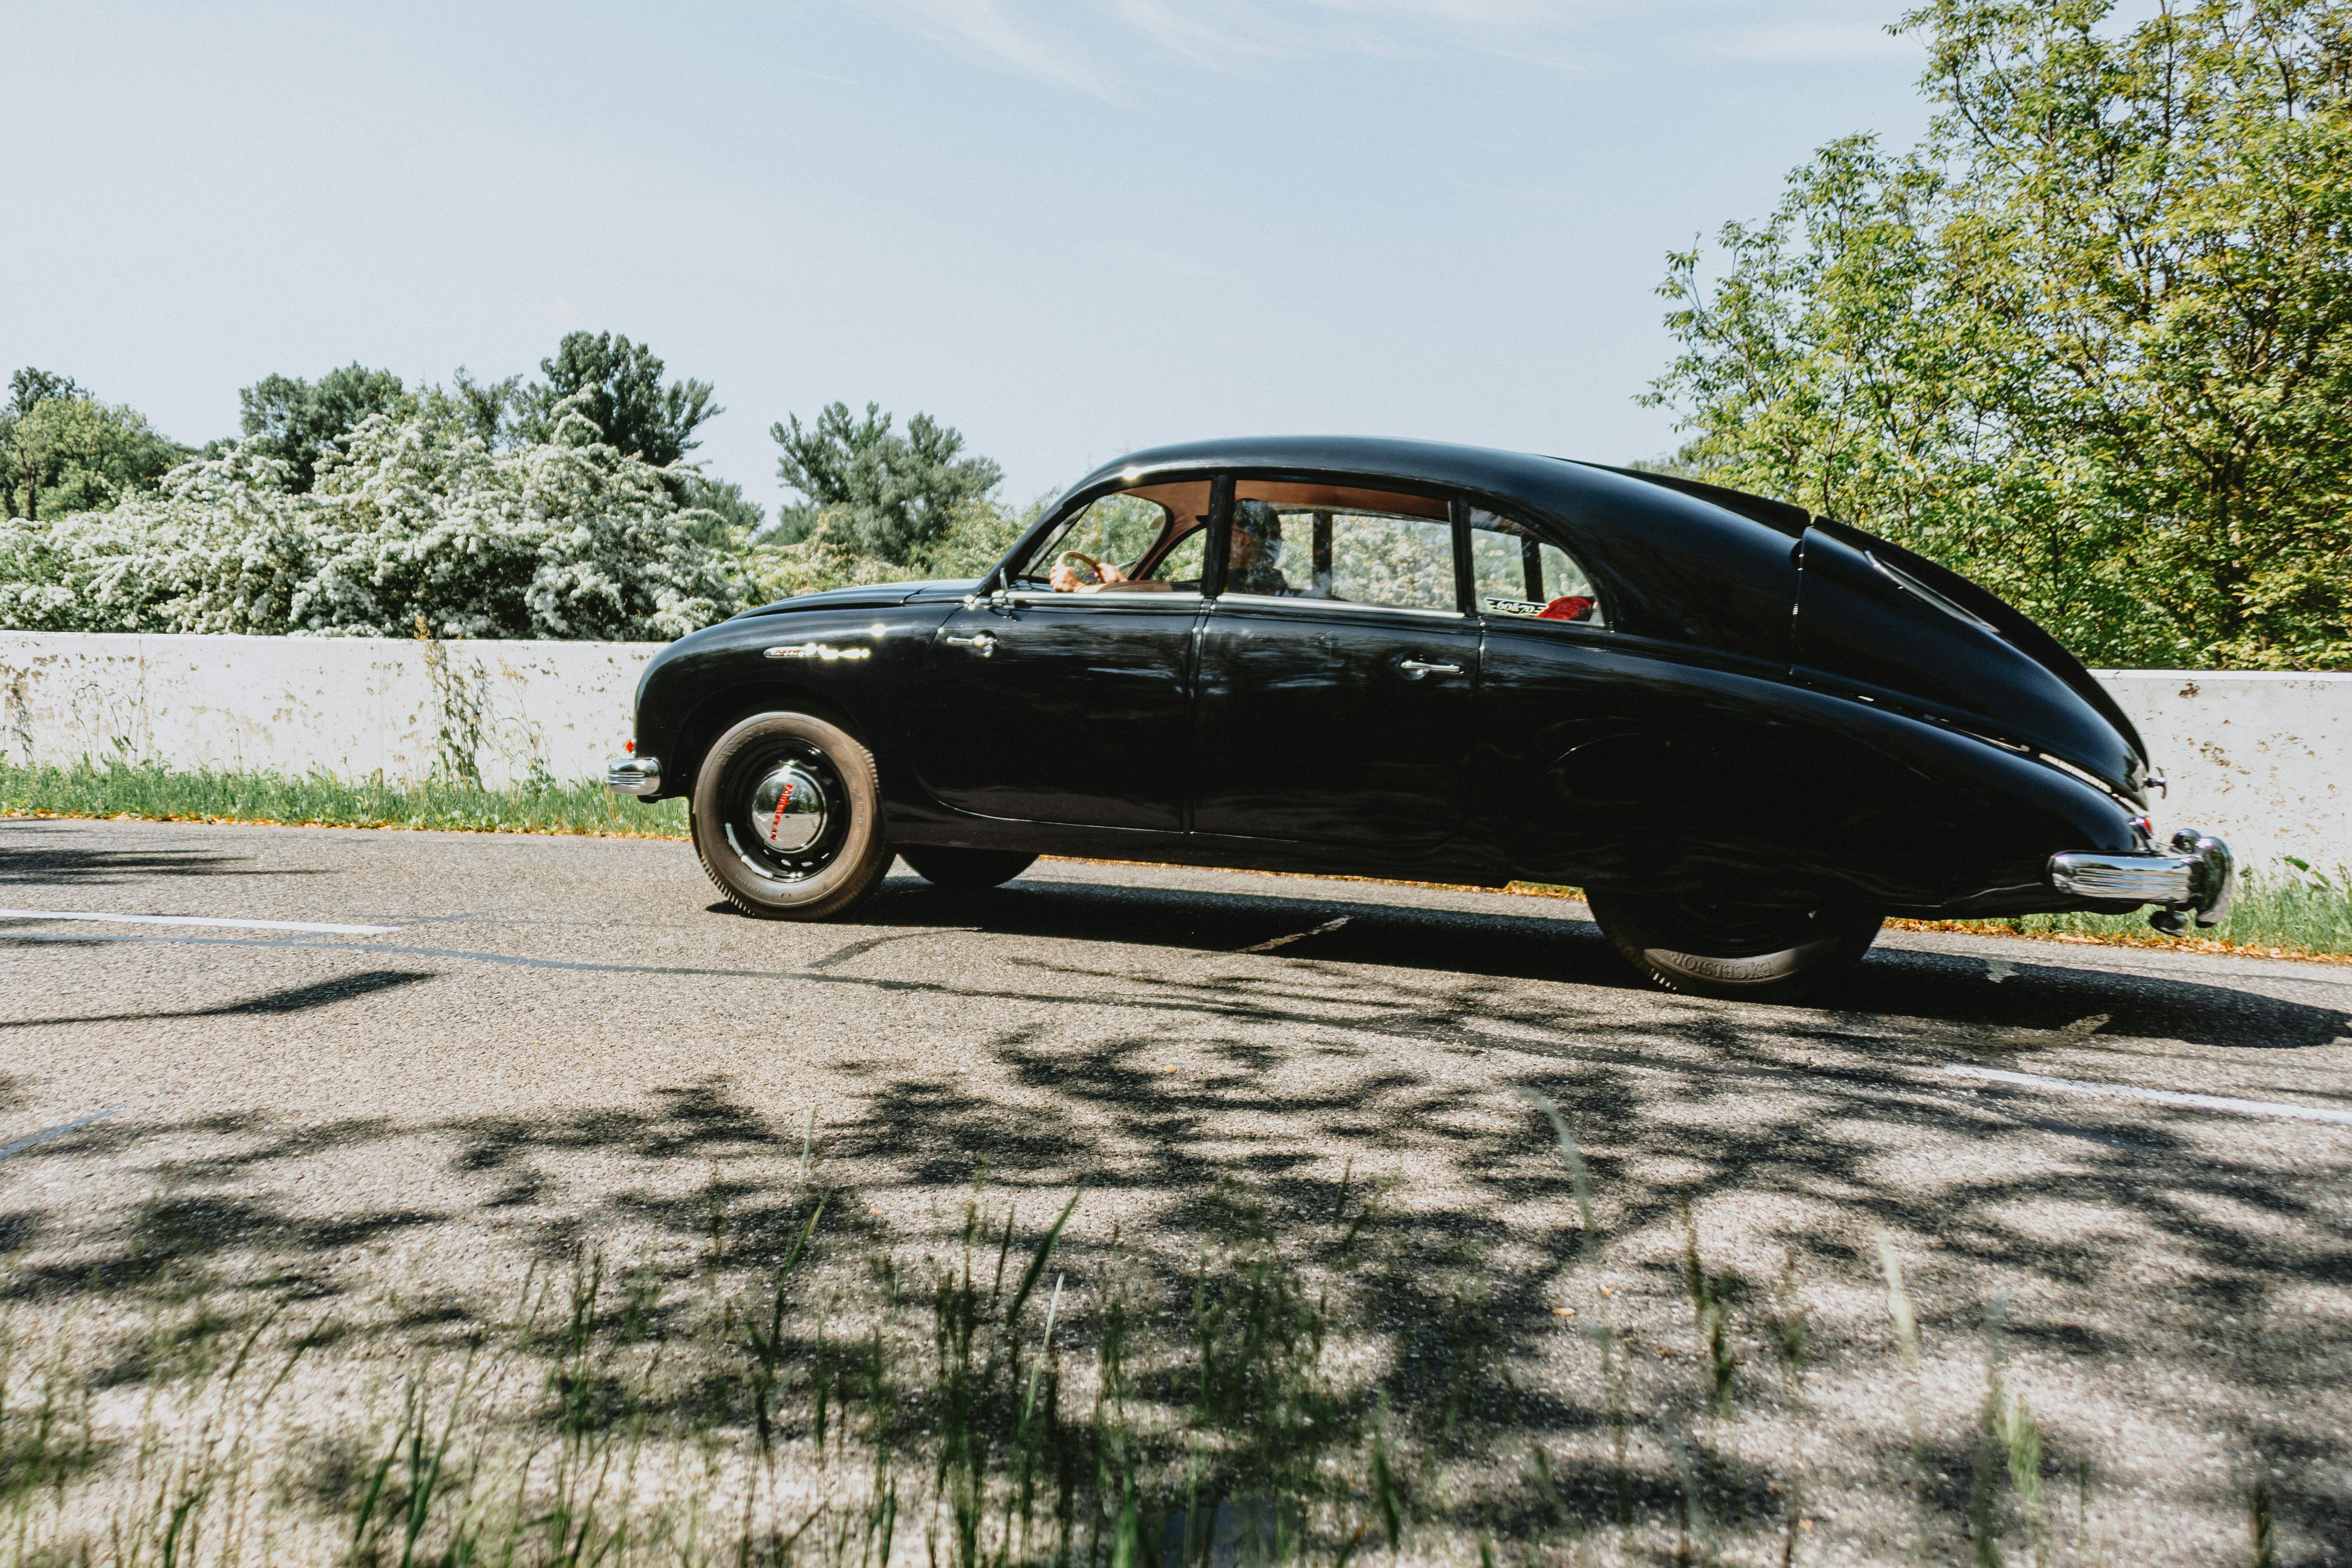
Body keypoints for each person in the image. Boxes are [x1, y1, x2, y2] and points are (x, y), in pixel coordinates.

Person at [1224, 501, 1293, 595]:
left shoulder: (1268, 585)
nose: (1225, 539)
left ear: (1247, 539)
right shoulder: (1229, 576)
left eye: (1231, 531)